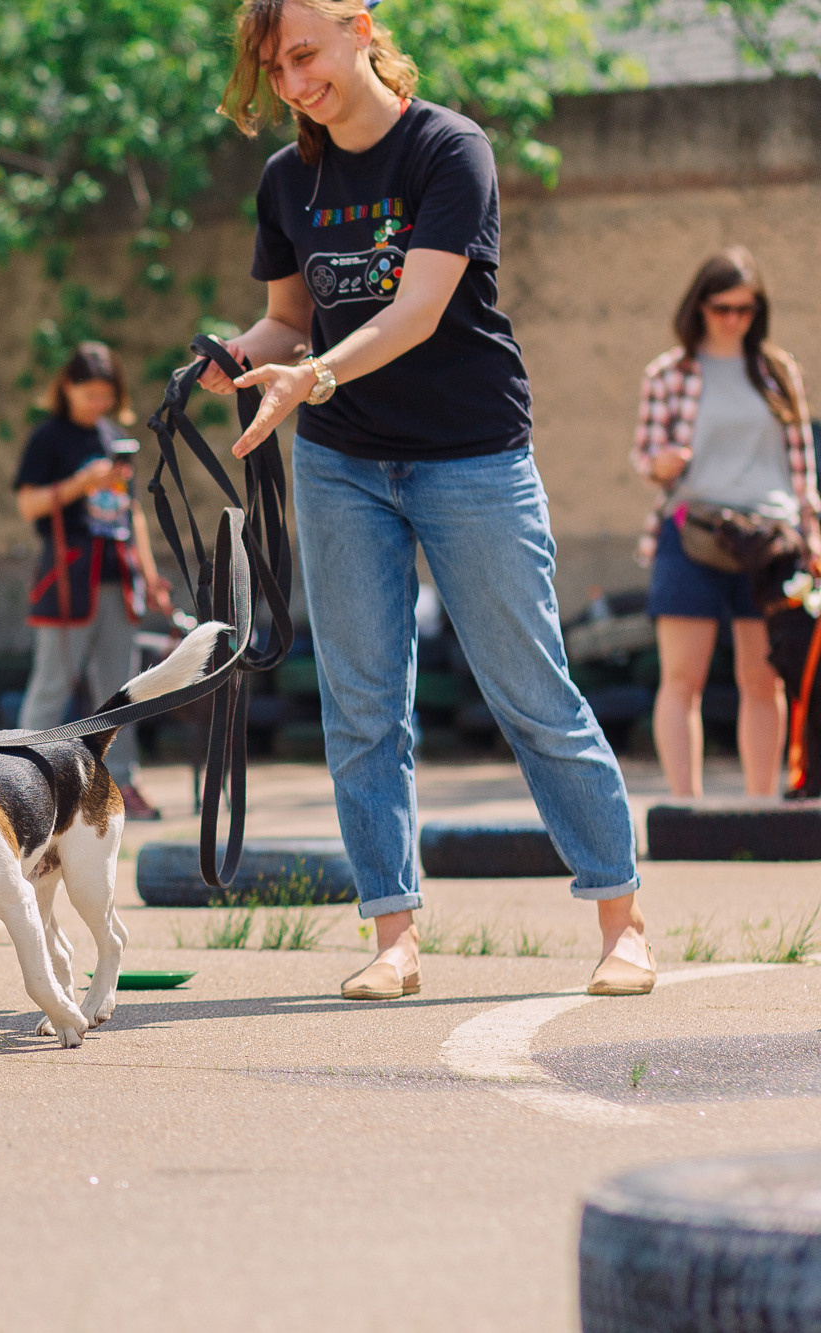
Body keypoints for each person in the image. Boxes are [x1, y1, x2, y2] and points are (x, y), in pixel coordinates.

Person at [203, 0, 653, 997]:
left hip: (468, 456)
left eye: (306, 56)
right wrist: (237, 358)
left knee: (528, 690)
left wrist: (310, 374)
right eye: (275, 69)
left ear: (360, 26)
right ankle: (393, 938)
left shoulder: (448, 149)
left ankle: (619, 920)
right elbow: (288, 319)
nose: (293, 84)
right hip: (339, 465)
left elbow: (413, 309)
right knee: (360, 705)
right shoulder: (287, 180)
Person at [632, 247, 820, 798]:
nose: (733, 319)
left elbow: (802, 467)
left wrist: (812, 536)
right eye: (721, 307)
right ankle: (685, 810)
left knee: (764, 680)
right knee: (681, 679)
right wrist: (659, 465)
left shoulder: (778, 371)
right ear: (699, 307)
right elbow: (645, 457)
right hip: (694, 529)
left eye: (744, 308)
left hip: (771, 540)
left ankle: (762, 807)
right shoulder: (668, 372)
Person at [13, 341, 173, 819]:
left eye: (106, 395)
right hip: (67, 580)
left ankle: (120, 785)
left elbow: (133, 511)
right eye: (90, 393)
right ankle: (17, 779)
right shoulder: (48, 439)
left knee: (120, 693)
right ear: (67, 388)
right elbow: (29, 506)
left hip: (117, 580)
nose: (98, 403)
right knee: (53, 685)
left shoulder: (112, 438)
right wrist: (81, 485)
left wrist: (150, 573)